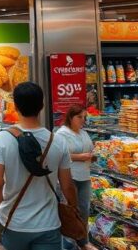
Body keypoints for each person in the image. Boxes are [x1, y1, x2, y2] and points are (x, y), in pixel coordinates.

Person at [0, 82, 78, 250]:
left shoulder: (2, 139)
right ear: (42, 105)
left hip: (14, 222)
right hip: (48, 223)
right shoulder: (58, 141)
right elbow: (67, 185)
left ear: (15, 106)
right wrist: (74, 210)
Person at [55, 104, 93, 250]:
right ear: (70, 117)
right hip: (69, 177)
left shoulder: (84, 133)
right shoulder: (61, 134)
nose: (83, 120)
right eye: (79, 117)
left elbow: (90, 150)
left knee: (84, 211)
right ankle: (67, 245)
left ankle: (83, 242)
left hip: (85, 177)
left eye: (84, 117)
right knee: (69, 213)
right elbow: (59, 155)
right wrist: (80, 157)